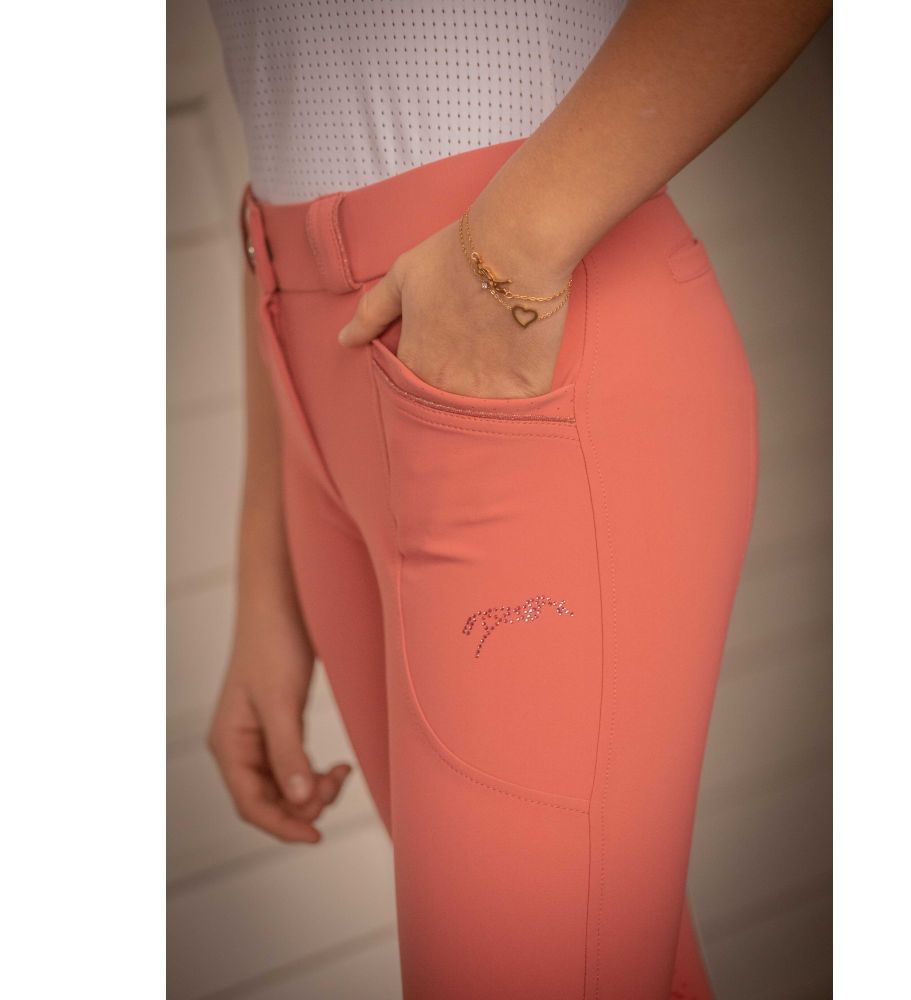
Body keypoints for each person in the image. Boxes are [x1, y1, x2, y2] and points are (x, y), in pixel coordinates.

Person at [205, 2, 831, 997]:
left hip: (516, 338)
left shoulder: (497, 288)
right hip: (314, 355)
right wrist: (266, 565)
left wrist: (503, 258)